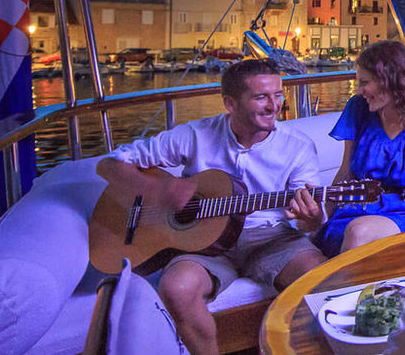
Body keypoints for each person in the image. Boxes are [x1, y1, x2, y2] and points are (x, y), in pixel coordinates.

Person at [96, 59, 325, 355]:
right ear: (230, 103)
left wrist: (311, 219)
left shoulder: (298, 146)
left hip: (271, 239)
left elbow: (308, 219)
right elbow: (110, 163)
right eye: (261, 97)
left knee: (321, 279)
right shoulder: (195, 134)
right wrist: (159, 189)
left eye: (278, 94)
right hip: (203, 245)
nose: (275, 106)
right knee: (176, 289)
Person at [302, 40, 405, 257]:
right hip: (356, 207)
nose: (360, 90)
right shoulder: (358, 109)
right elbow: (345, 171)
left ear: (391, 81)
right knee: (351, 231)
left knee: (359, 232)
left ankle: (340, 290)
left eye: (365, 82)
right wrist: (323, 218)